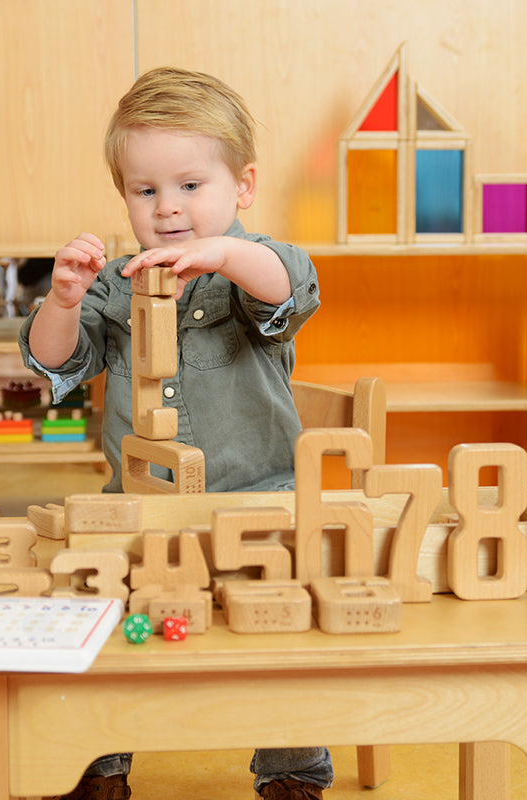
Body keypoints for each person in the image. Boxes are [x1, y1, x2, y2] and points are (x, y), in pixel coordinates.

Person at [19, 66, 331, 800]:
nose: (168, 210)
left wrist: (222, 254)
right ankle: (98, 760)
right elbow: (56, 360)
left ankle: (291, 769)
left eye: (192, 186)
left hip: (262, 498)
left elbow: (289, 284)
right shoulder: (114, 281)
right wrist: (62, 298)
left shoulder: (251, 267)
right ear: (124, 194)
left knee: (281, 626)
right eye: (146, 190)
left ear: (243, 186)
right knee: (100, 611)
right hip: (140, 503)